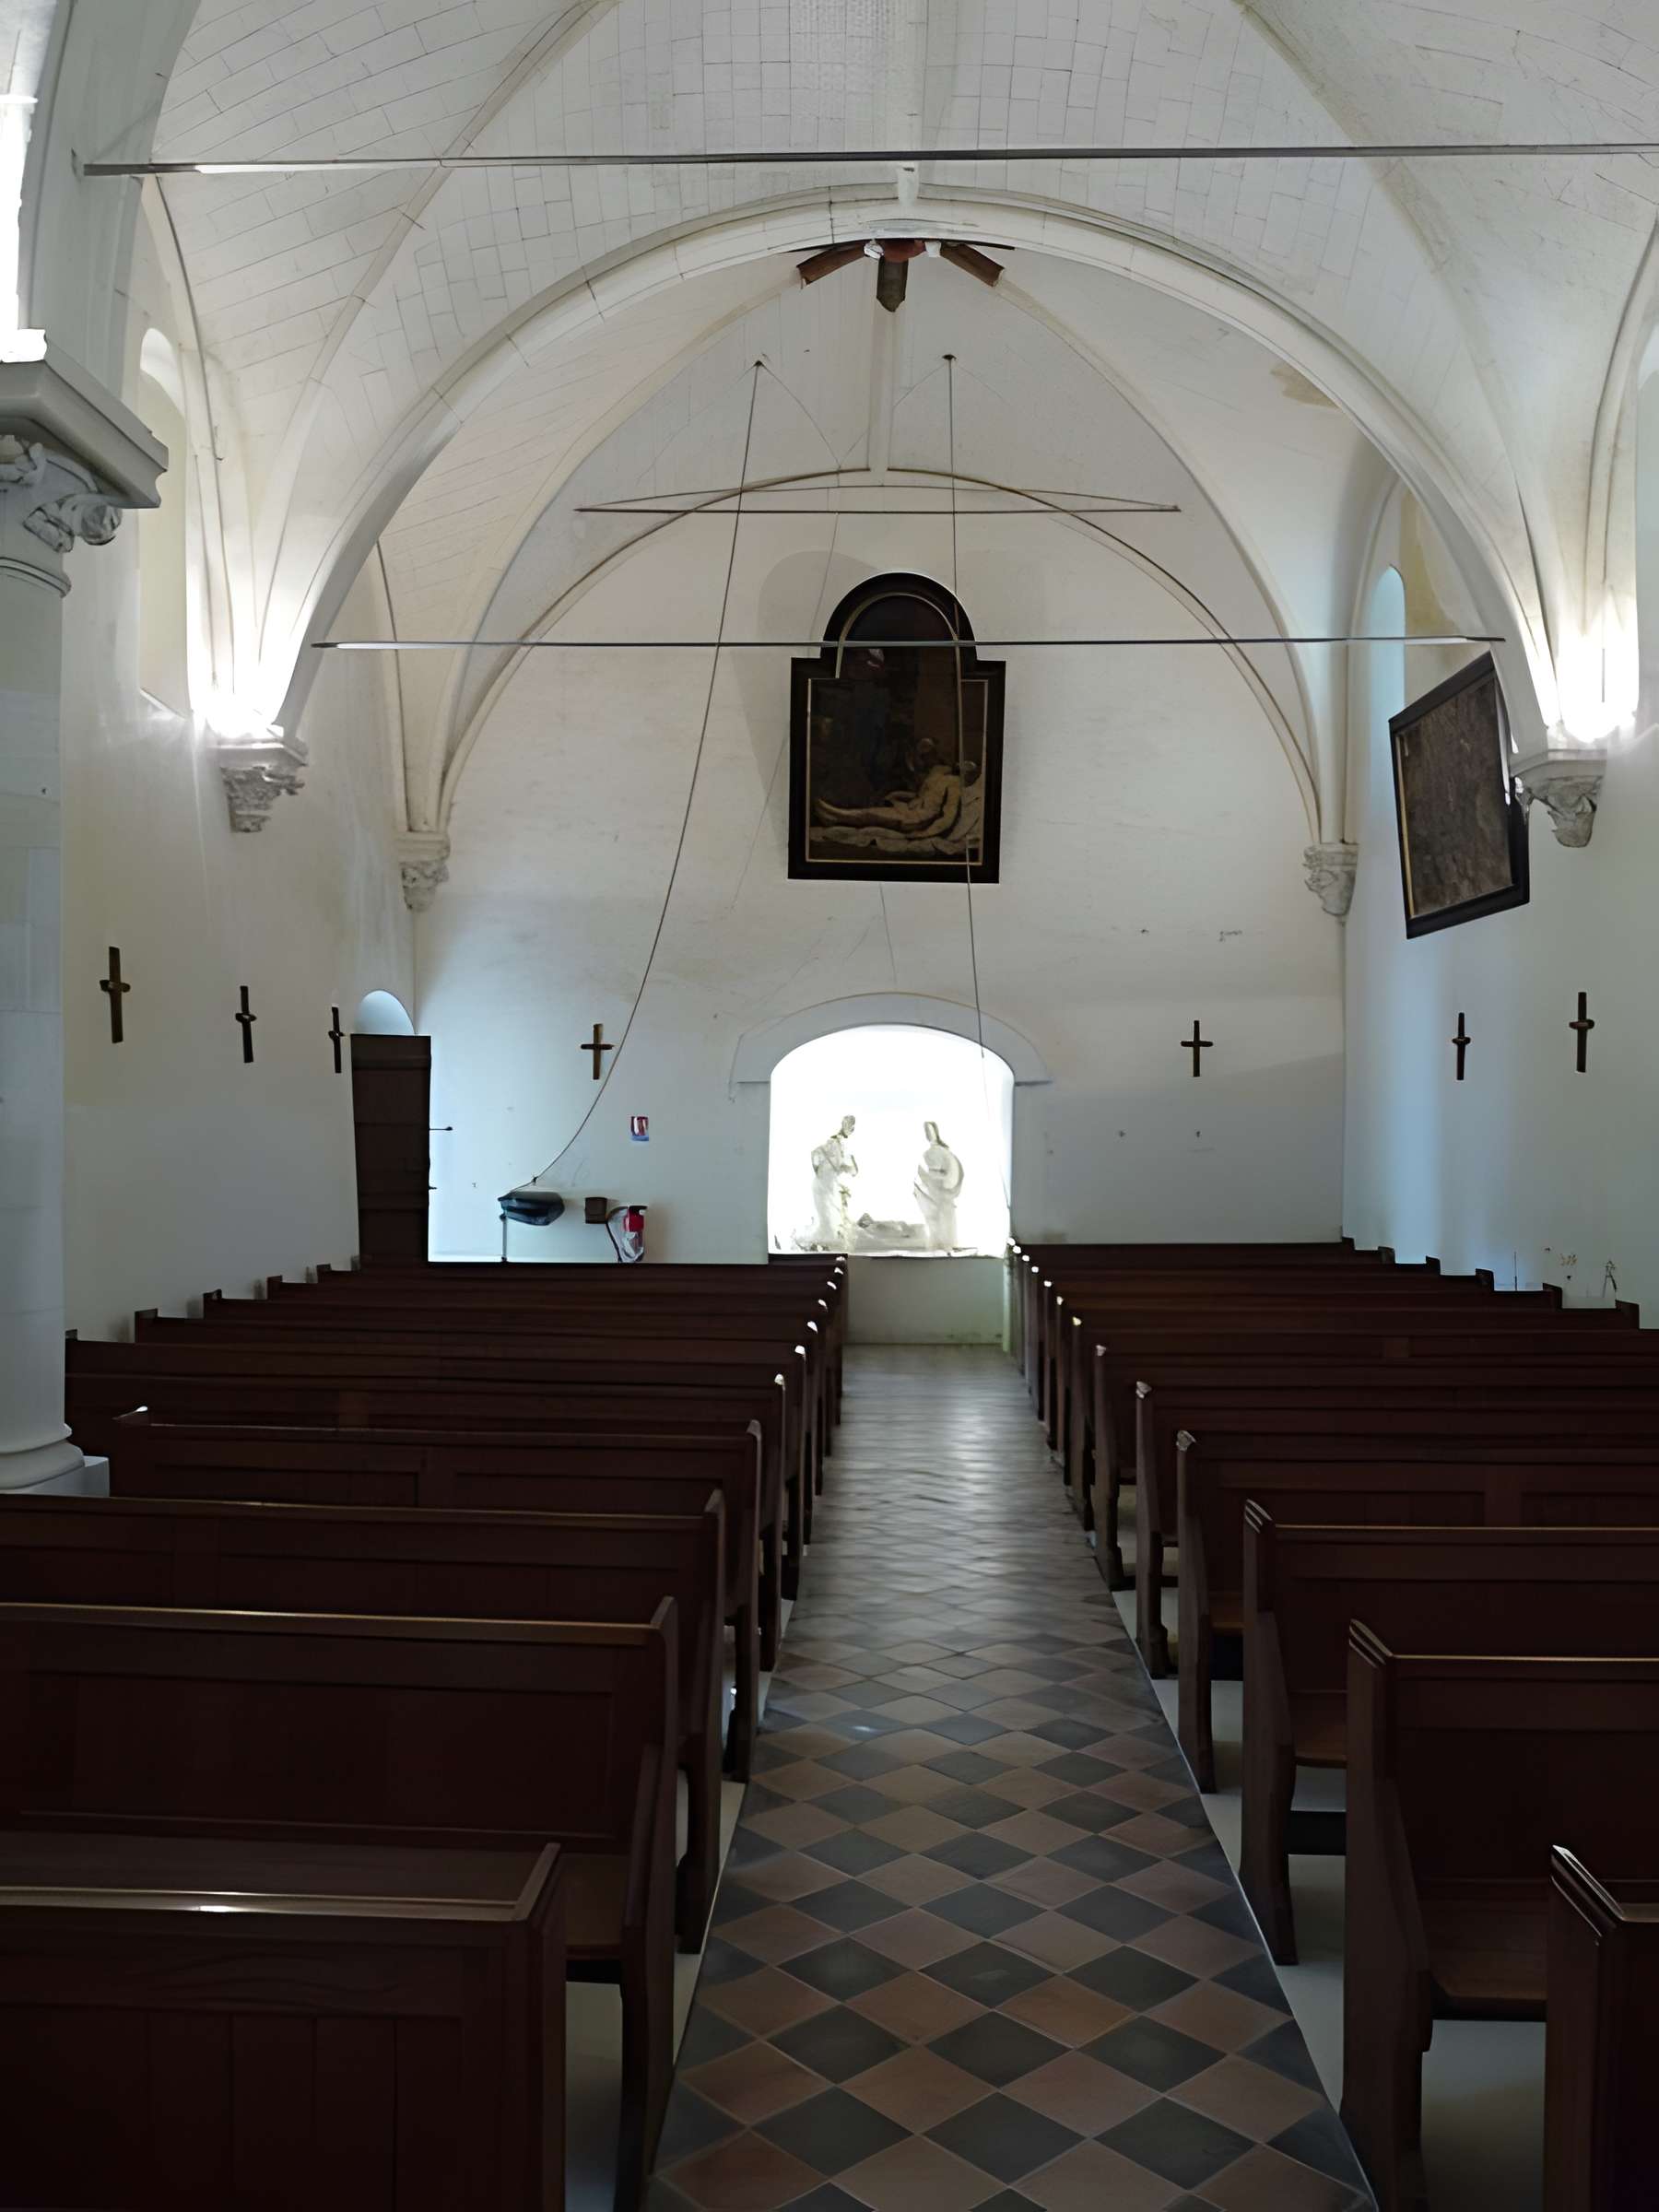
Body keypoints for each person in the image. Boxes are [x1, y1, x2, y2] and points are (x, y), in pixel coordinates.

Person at [913, 1119, 965, 1249]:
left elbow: (950, 1172)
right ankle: (937, 1245)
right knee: (934, 1221)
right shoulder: (929, 1153)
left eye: (930, 1130)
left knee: (945, 1220)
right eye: (926, 1131)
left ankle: (947, 1244)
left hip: (943, 1190)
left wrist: (936, 1178)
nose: (928, 1134)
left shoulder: (942, 1152)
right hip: (935, 1189)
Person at [808, 1114, 857, 1248]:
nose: (850, 1129)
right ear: (843, 1124)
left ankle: (817, 1247)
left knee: (831, 1222)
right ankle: (812, 1245)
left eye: (852, 1126)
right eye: (848, 1124)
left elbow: (843, 1167)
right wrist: (818, 1172)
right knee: (827, 1221)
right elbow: (814, 1154)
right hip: (822, 1185)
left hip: (829, 1186)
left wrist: (849, 1169)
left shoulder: (841, 1145)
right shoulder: (834, 1142)